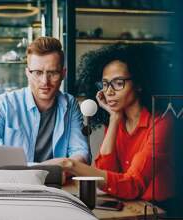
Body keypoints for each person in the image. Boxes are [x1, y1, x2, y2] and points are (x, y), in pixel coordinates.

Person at [56, 43, 174, 202]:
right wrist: (114, 119)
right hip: (132, 209)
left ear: (139, 84)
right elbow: (104, 176)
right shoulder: (117, 122)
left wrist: (72, 165)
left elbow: (132, 184)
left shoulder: (162, 124)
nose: (109, 92)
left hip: (163, 214)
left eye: (118, 83)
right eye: (105, 84)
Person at [0, 37, 90, 164]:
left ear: (63, 74)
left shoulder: (70, 104)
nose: (45, 81)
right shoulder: (5, 103)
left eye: (52, 73)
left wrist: (62, 168)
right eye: (37, 72)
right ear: (27, 73)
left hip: (57, 180)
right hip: (15, 181)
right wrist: (49, 167)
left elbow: (81, 153)